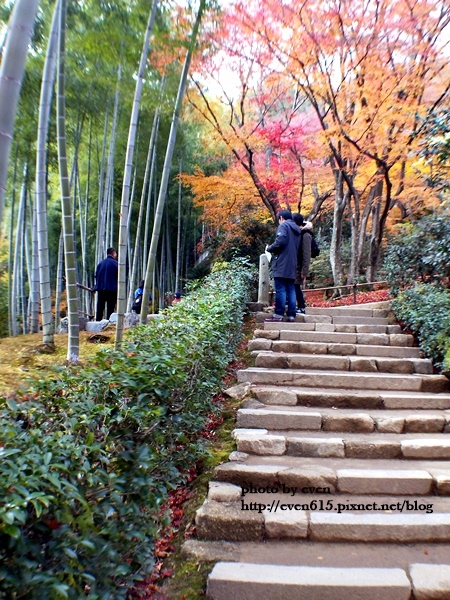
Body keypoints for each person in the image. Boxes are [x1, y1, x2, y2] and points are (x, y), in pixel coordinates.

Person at [265, 209, 301, 322]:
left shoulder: (284, 226)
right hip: (292, 263)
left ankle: (278, 314)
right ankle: (291, 315)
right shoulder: (297, 229)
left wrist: (269, 248)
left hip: (282, 263)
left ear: (281, 218)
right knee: (291, 289)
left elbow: (280, 241)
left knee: (280, 289)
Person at [293, 213, 313, 314]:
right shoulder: (300, 233)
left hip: (300, 266)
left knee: (296, 286)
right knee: (294, 285)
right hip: (296, 265)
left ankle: (301, 307)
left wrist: (304, 270)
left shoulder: (305, 235)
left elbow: (306, 254)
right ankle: (299, 306)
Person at [94, 247, 118, 321]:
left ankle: (98, 321)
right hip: (112, 288)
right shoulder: (116, 264)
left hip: (101, 288)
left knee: (100, 306)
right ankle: (109, 322)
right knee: (110, 307)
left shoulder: (100, 263)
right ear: (113, 253)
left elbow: (96, 276)